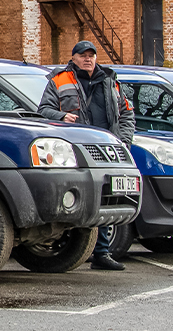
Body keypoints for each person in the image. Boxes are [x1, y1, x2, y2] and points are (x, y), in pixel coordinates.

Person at [37, 40, 135, 271]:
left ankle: (102, 252)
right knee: (81, 201)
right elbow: (43, 111)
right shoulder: (59, 80)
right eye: (83, 55)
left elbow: (127, 115)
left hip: (106, 150)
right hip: (75, 150)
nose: (88, 59)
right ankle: (72, 251)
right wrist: (61, 116)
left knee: (106, 202)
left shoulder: (111, 82)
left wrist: (124, 143)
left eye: (91, 55)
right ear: (73, 58)